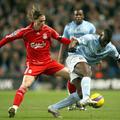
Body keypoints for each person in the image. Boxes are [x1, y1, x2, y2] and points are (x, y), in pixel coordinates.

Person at [0, 5, 71, 118]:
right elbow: (8, 37)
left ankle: (73, 101)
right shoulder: (25, 32)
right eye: (41, 21)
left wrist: (71, 42)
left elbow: (60, 38)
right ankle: (14, 108)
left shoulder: (48, 30)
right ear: (34, 20)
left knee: (72, 76)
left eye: (44, 21)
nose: (43, 23)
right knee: (25, 86)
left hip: (48, 63)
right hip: (34, 65)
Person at [48, 28, 120, 118]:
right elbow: (75, 41)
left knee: (80, 93)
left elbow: (118, 58)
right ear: (101, 35)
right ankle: (86, 98)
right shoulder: (90, 38)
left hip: (84, 64)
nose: (104, 44)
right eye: (104, 40)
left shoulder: (110, 48)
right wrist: (71, 47)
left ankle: (54, 107)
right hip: (75, 56)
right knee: (87, 72)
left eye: (107, 42)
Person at [58, 9, 96, 110]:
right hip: (73, 56)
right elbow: (63, 42)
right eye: (76, 15)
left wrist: (96, 55)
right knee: (79, 76)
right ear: (73, 16)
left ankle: (76, 102)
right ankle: (83, 100)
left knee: (76, 79)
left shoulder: (90, 26)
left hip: (86, 56)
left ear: (83, 16)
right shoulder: (68, 27)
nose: (78, 16)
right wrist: (60, 57)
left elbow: (93, 42)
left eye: (80, 15)